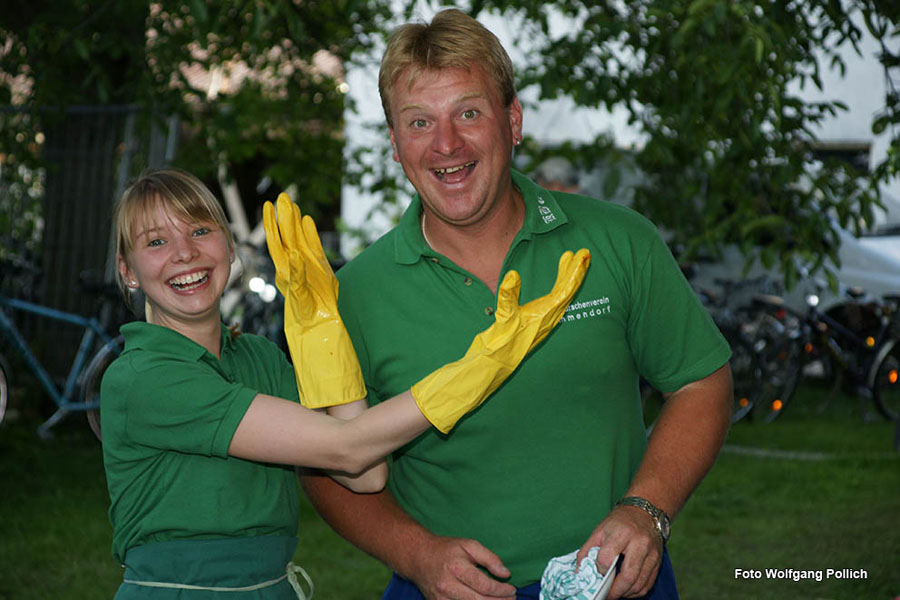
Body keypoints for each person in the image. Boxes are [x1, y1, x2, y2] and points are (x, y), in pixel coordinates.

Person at [300, 8, 733, 600]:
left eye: (469, 113)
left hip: (615, 584)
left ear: (513, 120)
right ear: (396, 145)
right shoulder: (353, 295)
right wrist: (415, 553)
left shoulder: (617, 240)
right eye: (419, 122)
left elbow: (701, 381)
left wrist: (646, 510)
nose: (446, 144)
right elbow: (324, 467)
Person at [100, 168, 589, 599]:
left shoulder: (258, 359)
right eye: (156, 242)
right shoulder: (144, 376)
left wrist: (321, 331)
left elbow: (366, 474)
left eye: (200, 230)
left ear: (229, 245)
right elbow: (348, 447)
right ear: (129, 270)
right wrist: (481, 367)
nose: (185, 253)